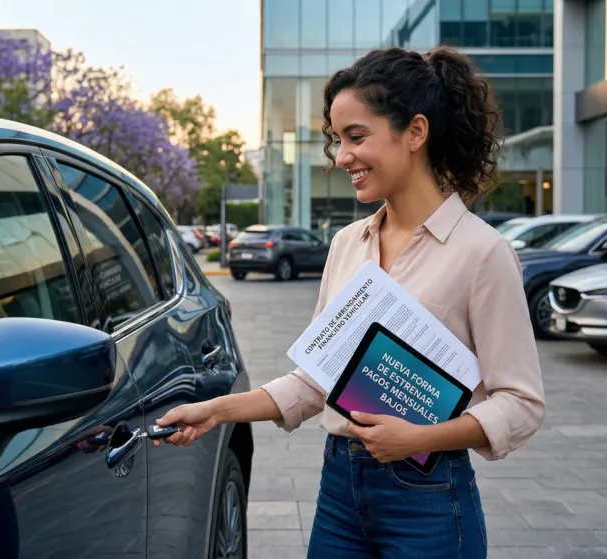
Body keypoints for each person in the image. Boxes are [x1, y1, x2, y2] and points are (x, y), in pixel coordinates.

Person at [154, 46, 545, 558]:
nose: (341, 158)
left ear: (416, 132)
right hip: (340, 484)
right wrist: (216, 411)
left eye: (356, 137)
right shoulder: (346, 246)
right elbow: (317, 380)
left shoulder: (482, 252)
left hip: (427, 498)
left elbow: (521, 403)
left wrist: (419, 438)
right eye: (337, 141)